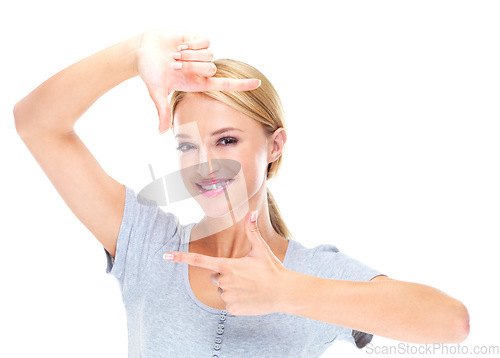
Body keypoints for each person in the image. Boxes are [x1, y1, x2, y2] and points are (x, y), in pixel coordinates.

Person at [14, 29, 470, 358]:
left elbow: (452, 323)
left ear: (274, 147)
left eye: (227, 140)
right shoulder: (147, 244)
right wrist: (134, 53)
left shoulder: (313, 273)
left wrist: (287, 293)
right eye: (188, 145)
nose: (205, 164)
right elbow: (37, 122)